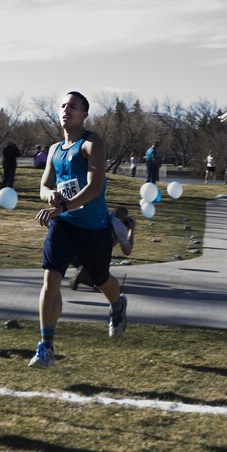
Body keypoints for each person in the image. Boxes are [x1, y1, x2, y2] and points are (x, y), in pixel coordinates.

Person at [29, 91, 127, 369]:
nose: (66, 109)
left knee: (100, 280)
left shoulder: (91, 142)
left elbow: (95, 188)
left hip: (93, 228)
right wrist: (50, 197)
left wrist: (64, 205)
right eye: (62, 105)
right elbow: (43, 186)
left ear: (84, 114)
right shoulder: (54, 150)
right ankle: (46, 346)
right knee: (51, 278)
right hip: (64, 224)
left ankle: (117, 305)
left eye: (72, 106)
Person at [69, 205, 136, 290]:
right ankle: (85, 274)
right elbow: (127, 251)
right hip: (91, 256)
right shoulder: (120, 227)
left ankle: (86, 272)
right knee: (105, 281)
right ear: (123, 218)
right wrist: (131, 230)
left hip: (73, 253)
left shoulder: (103, 216)